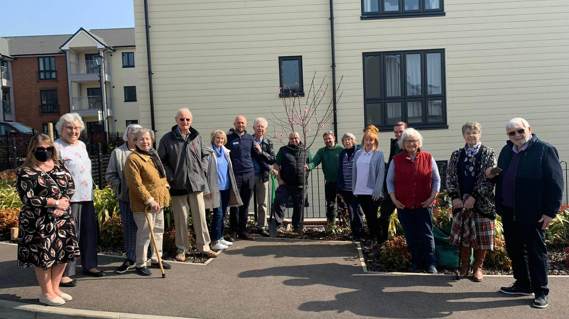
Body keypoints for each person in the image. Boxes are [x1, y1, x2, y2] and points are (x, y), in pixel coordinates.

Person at [488, 117, 563, 309]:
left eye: (520, 131)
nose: (517, 135)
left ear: (529, 129)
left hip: (533, 212)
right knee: (514, 250)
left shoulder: (545, 150)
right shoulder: (506, 151)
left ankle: (541, 291)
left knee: (535, 252)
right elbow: (502, 178)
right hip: (509, 210)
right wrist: (491, 175)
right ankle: (523, 284)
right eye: (512, 133)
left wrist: (549, 212)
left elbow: (555, 184)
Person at [16, 134, 79, 306]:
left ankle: (55, 288)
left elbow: (70, 186)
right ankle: (46, 293)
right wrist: (54, 203)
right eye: (41, 149)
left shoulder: (59, 165)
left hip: (62, 217)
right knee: (44, 256)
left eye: (49, 148)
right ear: (32, 150)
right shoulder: (25, 171)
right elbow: (28, 198)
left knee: (63, 253)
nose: (45, 152)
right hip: (38, 220)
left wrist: (63, 203)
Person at [158, 108, 216, 261]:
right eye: (182, 119)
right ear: (176, 120)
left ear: (191, 120)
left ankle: (204, 246)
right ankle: (181, 249)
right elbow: (161, 161)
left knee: (200, 217)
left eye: (188, 119)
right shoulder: (167, 139)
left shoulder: (197, 137)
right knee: (181, 219)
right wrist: (172, 177)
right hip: (178, 185)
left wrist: (201, 170)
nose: (185, 122)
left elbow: (205, 155)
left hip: (196, 184)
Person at [55, 113, 103, 287]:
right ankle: (66, 272)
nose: (74, 131)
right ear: (61, 129)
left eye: (76, 128)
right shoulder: (57, 147)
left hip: (86, 195)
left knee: (89, 232)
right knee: (70, 235)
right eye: (69, 128)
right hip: (69, 199)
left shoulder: (82, 145)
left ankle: (89, 265)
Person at [447, 122, 497, 282]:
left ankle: (478, 268)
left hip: (482, 203)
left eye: (474, 132)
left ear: (480, 134)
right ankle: (463, 267)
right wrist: (455, 196)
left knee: (482, 239)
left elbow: (490, 179)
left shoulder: (489, 153)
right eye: (467, 133)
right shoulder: (456, 154)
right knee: (464, 237)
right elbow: (450, 176)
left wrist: (474, 197)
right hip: (461, 203)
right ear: (463, 135)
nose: (471, 135)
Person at [387, 128, 440, 274]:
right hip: (404, 205)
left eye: (414, 141)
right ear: (403, 143)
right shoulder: (396, 160)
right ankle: (416, 262)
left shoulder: (428, 157)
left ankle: (430, 263)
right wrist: (394, 199)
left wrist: (432, 198)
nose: (412, 144)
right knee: (411, 234)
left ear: (419, 143)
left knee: (427, 234)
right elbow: (389, 181)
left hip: (424, 204)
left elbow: (436, 179)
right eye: (408, 141)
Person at [124, 128, 171, 276]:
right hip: (144, 204)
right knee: (145, 234)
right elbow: (136, 184)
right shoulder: (133, 159)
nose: (145, 142)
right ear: (135, 142)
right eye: (141, 139)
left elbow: (159, 175)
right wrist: (149, 200)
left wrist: (165, 184)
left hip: (159, 200)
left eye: (148, 139)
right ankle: (141, 263)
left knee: (158, 231)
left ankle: (157, 258)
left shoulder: (152, 155)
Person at [105, 124, 142, 273]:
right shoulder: (118, 152)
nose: (136, 136)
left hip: (144, 198)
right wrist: (120, 186)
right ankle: (131, 257)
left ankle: (148, 257)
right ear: (127, 135)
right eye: (133, 133)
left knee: (146, 228)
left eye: (138, 133)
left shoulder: (146, 151)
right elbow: (110, 174)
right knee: (129, 228)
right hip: (126, 198)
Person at [205, 129, 243, 250]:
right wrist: (206, 189)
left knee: (223, 214)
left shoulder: (226, 151)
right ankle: (215, 241)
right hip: (215, 188)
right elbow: (204, 171)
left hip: (226, 187)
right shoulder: (209, 152)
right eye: (217, 138)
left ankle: (221, 237)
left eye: (222, 139)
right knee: (218, 214)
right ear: (213, 139)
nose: (220, 140)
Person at [269, 132, 312, 236]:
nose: (294, 140)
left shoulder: (305, 150)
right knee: (279, 202)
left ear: (299, 138)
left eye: (296, 138)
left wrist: (308, 170)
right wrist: (279, 179)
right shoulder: (283, 150)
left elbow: (311, 163)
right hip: (285, 183)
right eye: (292, 138)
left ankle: (297, 227)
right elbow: (276, 165)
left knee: (299, 206)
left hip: (300, 184)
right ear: (289, 139)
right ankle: (278, 226)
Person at [351, 125, 385, 244]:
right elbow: (354, 171)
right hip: (360, 190)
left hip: (372, 192)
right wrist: (354, 188)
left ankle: (377, 238)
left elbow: (381, 174)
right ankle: (374, 238)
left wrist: (377, 190)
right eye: (367, 139)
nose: (369, 142)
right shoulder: (358, 154)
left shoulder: (378, 154)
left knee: (372, 217)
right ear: (363, 140)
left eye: (371, 140)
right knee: (368, 216)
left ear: (375, 141)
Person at [226, 115, 256, 240]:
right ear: (234, 124)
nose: (241, 125)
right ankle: (233, 231)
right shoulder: (228, 138)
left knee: (245, 203)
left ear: (246, 124)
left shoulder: (250, 138)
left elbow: (256, 155)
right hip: (235, 175)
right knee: (234, 204)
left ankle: (243, 230)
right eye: (238, 123)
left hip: (249, 174)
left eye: (242, 123)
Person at [378, 121, 407, 244]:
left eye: (401, 131)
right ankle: (382, 242)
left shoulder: (410, 146)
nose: (398, 134)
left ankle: (406, 243)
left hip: (404, 189)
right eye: (396, 132)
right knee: (384, 215)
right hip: (392, 188)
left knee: (404, 218)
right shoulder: (394, 144)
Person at [310, 131, 343, 228]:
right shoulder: (322, 151)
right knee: (330, 205)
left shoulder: (340, 149)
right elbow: (315, 161)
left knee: (342, 205)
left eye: (329, 138)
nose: (327, 140)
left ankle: (344, 225)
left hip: (341, 183)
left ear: (334, 138)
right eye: (325, 139)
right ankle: (331, 225)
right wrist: (308, 166)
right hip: (329, 182)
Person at [336, 133, 364, 240]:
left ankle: (360, 232)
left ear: (353, 140)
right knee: (351, 210)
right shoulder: (342, 153)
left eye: (349, 139)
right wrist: (339, 187)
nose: (347, 142)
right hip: (346, 188)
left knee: (357, 210)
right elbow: (340, 170)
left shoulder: (359, 151)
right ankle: (355, 233)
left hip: (357, 188)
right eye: (345, 140)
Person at [251, 117, 275, 235]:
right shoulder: (248, 140)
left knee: (262, 204)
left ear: (265, 129)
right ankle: (242, 227)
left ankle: (261, 226)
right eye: (258, 126)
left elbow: (272, 159)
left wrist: (261, 152)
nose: (260, 128)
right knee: (243, 203)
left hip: (262, 176)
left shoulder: (268, 142)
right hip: (249, 176)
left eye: (262, 127)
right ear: (253, 128)